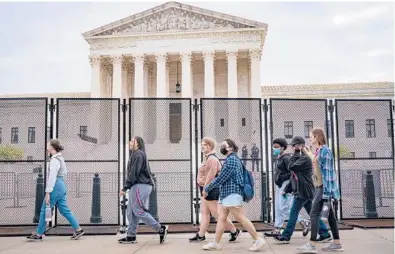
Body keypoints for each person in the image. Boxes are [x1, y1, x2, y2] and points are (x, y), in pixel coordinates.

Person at [202, 138, 265, 252]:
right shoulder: (231, 159)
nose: (222, 147)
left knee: (240, 217)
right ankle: (216, 243)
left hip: (232, 193)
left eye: (224, 145)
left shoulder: (231, 160)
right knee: (221, 218)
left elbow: (221, 178)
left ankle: (257, 239)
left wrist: (207, 188)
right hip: (227, 194)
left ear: (230, 147)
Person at [274, 136, 330, 244]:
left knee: (293, 213)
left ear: (300, 146)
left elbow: (291, 167)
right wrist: (287, 189)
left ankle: (286, 236)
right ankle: (324, 234)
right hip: (303, 190)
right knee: (313, 214)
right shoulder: (300, 158)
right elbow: (294, 176)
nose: (293, 147)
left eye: (295, 146)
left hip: (304, 191)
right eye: (293, 146)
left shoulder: (305, 159)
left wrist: (296, 151)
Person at [26, 139, 84, 241]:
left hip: (56, 186)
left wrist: (48, 193)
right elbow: (63, 173)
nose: (47, 146)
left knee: (45, 209)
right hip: (61, 185)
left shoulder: (54, 160)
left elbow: (52, 177)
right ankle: (78, 229)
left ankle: (39, 234)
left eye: (48, 144)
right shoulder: (60, 158)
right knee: (64, 210)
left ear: (52, 147)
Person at [297, 128, 343, 253]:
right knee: (331, 217)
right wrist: (308, 153)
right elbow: (316, 163)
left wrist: (327, 194)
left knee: (314, 213)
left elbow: (328, 174)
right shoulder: (318, 151)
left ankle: (311, 245)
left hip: (323, 188)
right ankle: (337, 243)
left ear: (317, 137)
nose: (309, 138)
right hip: (319, 186)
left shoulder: (325, 151)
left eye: (311, 136)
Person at [118, 136, 168, 244]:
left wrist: (125, 187)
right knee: (131, 212)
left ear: (138, 143)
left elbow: (134, 173)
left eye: (132, 141)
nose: (129, 142)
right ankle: (131, 236)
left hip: (141, 186)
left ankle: (160, 228)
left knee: (138, 211)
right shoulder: (135, 154)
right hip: (136, 186)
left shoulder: (138, 154)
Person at [189, 137, 241, 242]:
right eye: (202, 144)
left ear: (210, 146)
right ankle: (201, 234)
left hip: (210, 190)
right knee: (204, 213)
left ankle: (234, 230)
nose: (202, 146)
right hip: (205, 188)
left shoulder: (212, 159)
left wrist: (206, 189)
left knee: (217, 215)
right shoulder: (207, 158)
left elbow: (211, 176)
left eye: (205, 144)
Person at [264, 138, 309, 238]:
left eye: (276, 147)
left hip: (286, 185)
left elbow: (292, 171)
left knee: (285, 207)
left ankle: (303, 221)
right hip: (280, 185)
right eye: (273, 147)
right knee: (279, 208)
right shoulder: (280, 158)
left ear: (282, 148)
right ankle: (277, 228)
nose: (274, 149)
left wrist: (282, 179)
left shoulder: (286, 158)